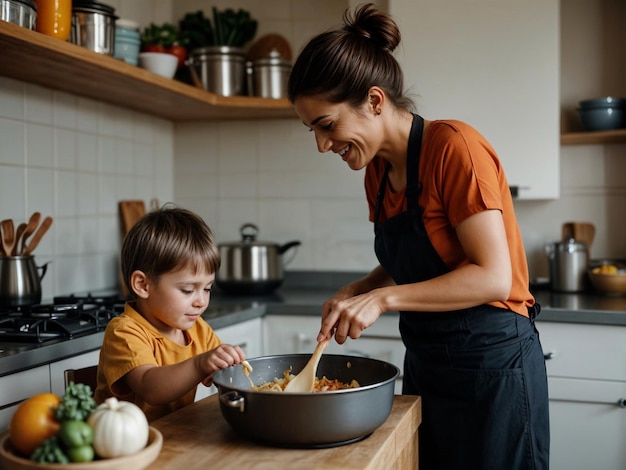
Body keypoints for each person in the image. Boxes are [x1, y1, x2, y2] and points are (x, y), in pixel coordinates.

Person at [287, 4, 549, 469]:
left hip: (493, 371)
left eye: (326, 125)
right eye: (313, 130)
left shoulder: (454, 148)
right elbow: (418, 257)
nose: (322, 145)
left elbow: (491, 276)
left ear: (373, 100)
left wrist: (383, 302)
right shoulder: (376, 172)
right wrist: (362, 288)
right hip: (429, 366)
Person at [94, 206, 247, 421]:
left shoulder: (197, 328)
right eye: (187, 290)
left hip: (174, 436)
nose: (201, 301)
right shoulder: (124, 332)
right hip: (128, 448)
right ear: (143, 285)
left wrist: (226, 362)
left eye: (207, 288)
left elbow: (221, 373)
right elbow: (151, 388)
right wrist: (199, 364)